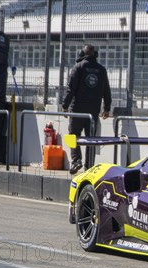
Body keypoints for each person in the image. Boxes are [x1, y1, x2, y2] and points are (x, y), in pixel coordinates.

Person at [62, 44, 111, 174]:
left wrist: (65, 105)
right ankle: (89, 166)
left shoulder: (78, 67)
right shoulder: (101, 70)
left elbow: (70, 88)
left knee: (73, 136)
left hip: (77, 109)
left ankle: (76, 160)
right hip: (93, 112)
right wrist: (106, 108)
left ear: (81, 54)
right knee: (91, 139)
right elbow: (106, 90)